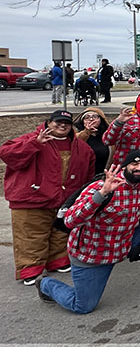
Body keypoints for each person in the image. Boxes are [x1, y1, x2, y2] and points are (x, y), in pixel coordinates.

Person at [36, 149, 140, 312]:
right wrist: (102, 194)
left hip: (124, 241)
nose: (139, 168)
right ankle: (46, 284)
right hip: (94, 253)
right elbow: (71, 220)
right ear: (124, 167)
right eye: (134, 164)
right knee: (83, 306)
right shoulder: (101, 186)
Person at [0, 110, 95, 285]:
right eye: (58, 122)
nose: (62, 125)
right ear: (48, 123)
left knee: (60, 233)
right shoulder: (30, 139)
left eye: (66, 123)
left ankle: (57, 261)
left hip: (63, 199)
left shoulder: (81, 147)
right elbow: (7, 154)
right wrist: (34, 144)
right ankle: (30, 269)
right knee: (31, 236)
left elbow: (87, 174)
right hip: (31, 199)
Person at [73, 107, 112, 177]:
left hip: (102, 176)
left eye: (95, 116)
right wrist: (87, 132)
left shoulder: (108, 137)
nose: (91, 119)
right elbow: (77, 143)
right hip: (82, 176)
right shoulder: (76, 136)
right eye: (87, 117)